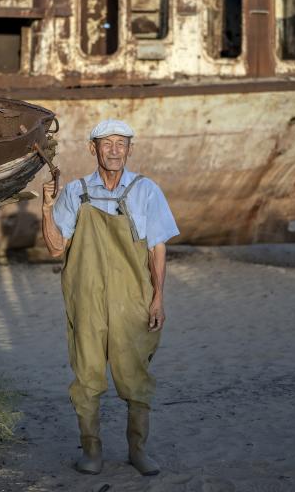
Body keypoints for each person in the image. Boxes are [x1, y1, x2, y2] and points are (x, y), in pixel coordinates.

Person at [41, 118, 179, 476]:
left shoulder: (146, 190)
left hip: (132, 298)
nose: (115, 150)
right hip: (86, 299)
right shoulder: (75, 192)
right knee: (86, 376)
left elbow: (157, 249)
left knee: (135, 376)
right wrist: (46, 208)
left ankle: (138, 451)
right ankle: (92, 452)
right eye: (107, 143)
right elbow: (56, 248)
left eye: (122, 144)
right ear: (93, 149)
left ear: (130, 149)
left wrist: (158, 298)